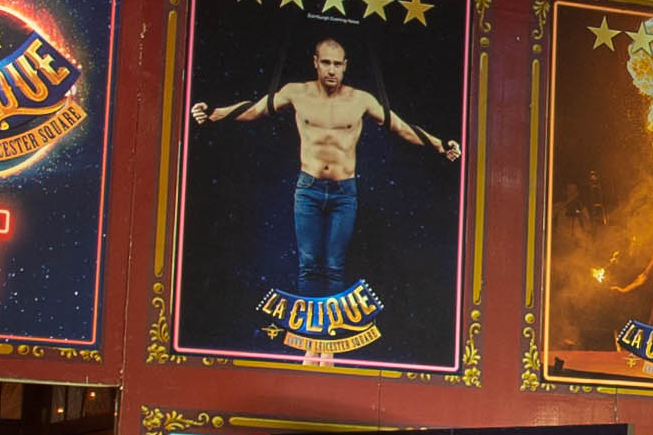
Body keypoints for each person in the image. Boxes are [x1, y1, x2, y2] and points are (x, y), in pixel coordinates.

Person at [185, 27, 462, 311]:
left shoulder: (361, 99)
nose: (332, 70)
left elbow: (402, 128)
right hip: (308, 189)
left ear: (345, 66)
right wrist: (212, 114)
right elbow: (255, 110)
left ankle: (327, 347)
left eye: (337, 64)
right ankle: (309, 340)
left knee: (333, 266)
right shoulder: (296, 93)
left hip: (345, 192)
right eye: (326, 62)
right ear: (315, 62)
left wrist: (441, 145)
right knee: (308, 266)